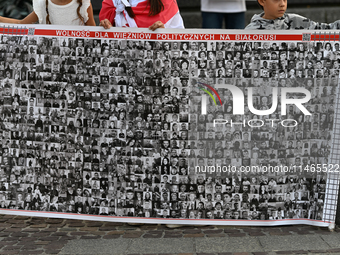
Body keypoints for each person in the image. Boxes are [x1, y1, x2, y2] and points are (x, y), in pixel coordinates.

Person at [246, 0, 340, 29]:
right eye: (276, 0)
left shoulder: (296, 20)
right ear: (262, 1)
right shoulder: (250, 30)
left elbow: (326, 29)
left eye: (285, 0)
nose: (282, 4)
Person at [99, 0, 184, 31]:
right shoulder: (112, 2)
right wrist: (105, 27)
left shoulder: (168, 2)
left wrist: (164, 33)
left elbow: (181, 40)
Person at [0, 0, 95, 26]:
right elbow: (21, 24)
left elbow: (94, 34)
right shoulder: (42, 4)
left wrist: (104, 25)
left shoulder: (84, 3)